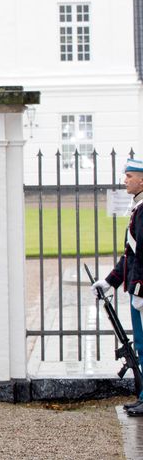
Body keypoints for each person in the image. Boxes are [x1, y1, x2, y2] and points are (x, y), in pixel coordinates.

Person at [92, 157, 143, 415]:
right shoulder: (138, 208)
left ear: (142, 180)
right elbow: (131, 254)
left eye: (130, 176)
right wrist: (110, 281)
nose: (125, 180)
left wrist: (140, 290)